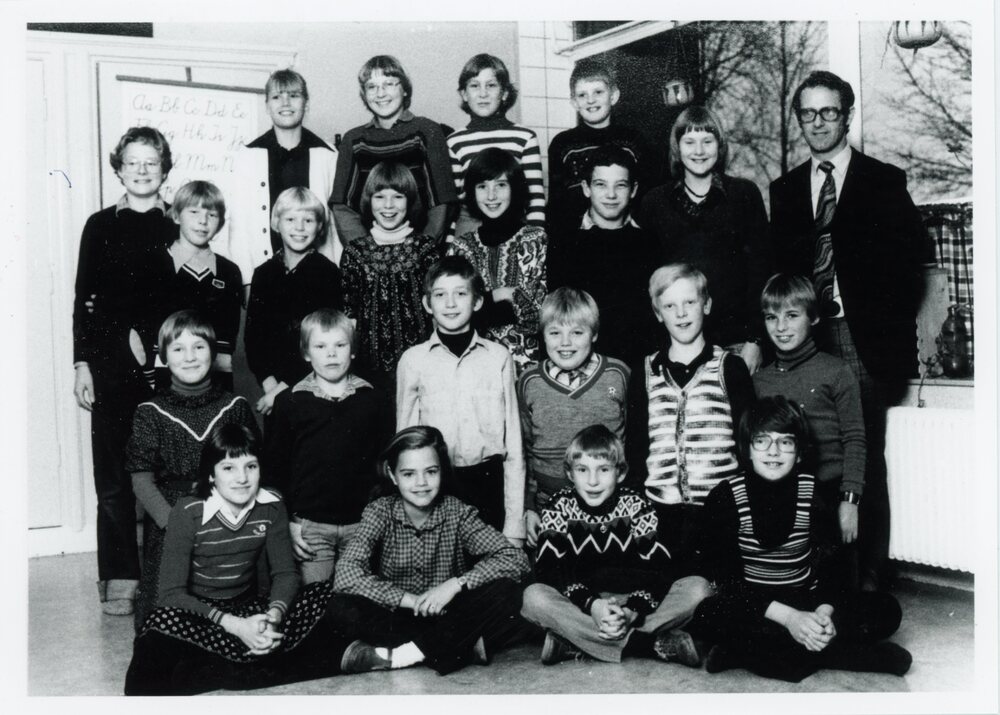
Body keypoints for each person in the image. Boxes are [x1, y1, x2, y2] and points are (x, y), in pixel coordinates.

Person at [768, 70, 926, 591]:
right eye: (808, 113)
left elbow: (909, 268)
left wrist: (880, 322)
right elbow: (780, 271)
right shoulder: (785, 190)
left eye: (829, 112)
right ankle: (822, 574)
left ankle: (870, 577)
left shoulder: (883, 181)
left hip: (861, 341)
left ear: (847, 115)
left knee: (863, 453)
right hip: (806, 339)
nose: (818, 123)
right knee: (811, 453)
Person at [687, 397, 911, 682]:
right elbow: (729, 582)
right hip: (757, 606)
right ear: (747, 448)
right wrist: (790, 619)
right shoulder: (725, 496)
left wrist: (823, 614)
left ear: (799, 451)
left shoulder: (814, 491)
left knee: (887, 609)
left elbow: (834, 569)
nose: (773, 451)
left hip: (805, 599)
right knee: (708, 614)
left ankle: (750, 653)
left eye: (785, 442)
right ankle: (846, 655)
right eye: (762, 441)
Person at [124, 423, 342, 695]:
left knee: (325, 594)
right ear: (211, 475)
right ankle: (252, 669)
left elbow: (285, 574)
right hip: (203, 614)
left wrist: (272, 617)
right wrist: (235, 626)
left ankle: (222, 670)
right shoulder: (188, 510)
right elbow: (171, 594)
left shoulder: (272, 505)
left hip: (248, 608)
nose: (242, 478)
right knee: (157, 628)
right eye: (229, 468)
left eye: (251, 466)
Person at [72, 126, 178, 615]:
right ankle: (120, 575)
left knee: (166, 473)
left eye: (151, 162)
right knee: (113, 479)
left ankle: (165, 575)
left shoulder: (177, 224)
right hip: (110, 366)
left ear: (164, 169)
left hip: (164, 366)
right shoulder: (99, 225)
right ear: (118, 169)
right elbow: (84, 300)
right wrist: (83, 364)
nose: (141, 170)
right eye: (132, 162)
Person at [327, 426, 530, 675]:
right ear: (392, 475)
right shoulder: (379, 511)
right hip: (399, 617)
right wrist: (411, 600)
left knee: (508, 590)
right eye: (409, 474)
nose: (421, 483)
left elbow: (514, 558)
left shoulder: (457, 512)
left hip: (449, 614)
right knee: (340, 606)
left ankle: (402, 656)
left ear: (442, 471)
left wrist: (455, 584)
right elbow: (346, 573)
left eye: (431, 472)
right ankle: (457, 646)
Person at [521, 425, 713, 666]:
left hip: (634, 602)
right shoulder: (558, 506)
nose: (592, 481)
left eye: (603, 470)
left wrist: (631, 611)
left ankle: (576, 641)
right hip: (582, 604)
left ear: (620, 473)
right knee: (534, 597)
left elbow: (660, 569)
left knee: (699, 589)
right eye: (582, 470)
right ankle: (648, 644)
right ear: (570, 474)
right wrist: (593, 605)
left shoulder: (636, 505)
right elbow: (551, 569)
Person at [125, 310, 258, 630]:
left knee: (233, 619)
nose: (189, 357)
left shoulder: (235, 407)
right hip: (171, 519)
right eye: (178, 349)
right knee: (168, 621)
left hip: (227, 513)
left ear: (213, 352)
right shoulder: (150, 412)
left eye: (199, 347)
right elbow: (141, 480)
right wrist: (175, 526)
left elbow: (253, 469)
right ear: (164, 357)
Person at [625, 264, 755, 568]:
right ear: (658, 313)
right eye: (670, 306)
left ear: (706, 305)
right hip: (659, 514)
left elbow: (747, 442)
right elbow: (636, 447)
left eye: (689, 302)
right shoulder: (645, 371)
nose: (681, 313)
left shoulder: (729, 367)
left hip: (720, 513)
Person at [396, 256, 526, 544]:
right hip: (436, 488)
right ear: (427, 303)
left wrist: (514, 525)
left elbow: (514, 446)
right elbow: (405, 445)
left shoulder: (498, 357)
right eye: (440, 295)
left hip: (488, 486)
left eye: (460, 294)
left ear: (477, 301)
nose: (450, 303)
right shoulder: (413, 360)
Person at [638, 105, 772, 375]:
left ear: (719, 146)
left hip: (737, 342)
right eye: (689, 142)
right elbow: (647, 280)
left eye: (707, 141)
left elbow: (761, 270)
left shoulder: (744, 194)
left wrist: (755, 340)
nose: (698, 151)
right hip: (676, 344)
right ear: (677, 147)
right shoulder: (655, 202)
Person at [264, 309, 394, 583]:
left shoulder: (373, 399)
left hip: (362, 525)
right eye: (320, 347)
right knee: (314, 599)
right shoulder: (289, 402)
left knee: (358, 597)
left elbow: (385, 466)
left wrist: (379, 520)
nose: (331, 354)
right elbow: (274, 471)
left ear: (353, 350)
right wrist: (287, 524)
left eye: (340, 345)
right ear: (306, 353)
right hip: (309, 526)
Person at [753, 274, 866, 588]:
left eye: (792, 315)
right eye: (771, 317)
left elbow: (855, 438)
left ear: (813, 317)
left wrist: (850, 502)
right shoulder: (760, 381)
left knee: (839, 590)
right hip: (782, 495)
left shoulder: (836, 371)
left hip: (830, 495)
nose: (781, 327)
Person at [517, 288, 629, 547]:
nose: (565, 343)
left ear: (594, 334)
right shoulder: (529, 381)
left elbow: (631, 442)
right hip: (548, 503)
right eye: (555, 333)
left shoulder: (618, 374)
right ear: (543, 335)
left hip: (610, 503)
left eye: (577, 333)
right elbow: (524, 449)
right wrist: (529, 507)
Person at [546, 145, 662, 366]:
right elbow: (558, 316)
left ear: (634, 190)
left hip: (637, 363)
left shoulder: (650, 243)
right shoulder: (564, 243)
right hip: (580, 366)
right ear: (586, 188)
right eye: (601, 184)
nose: (611, 195)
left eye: (621, 185)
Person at [228, 69, 339, 287]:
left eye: (294, 95)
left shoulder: (328, 154)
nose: (285, 103)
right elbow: (239, 225)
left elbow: (334, 226)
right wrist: (247, 282)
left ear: (306, 103)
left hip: (318, 278)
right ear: (267, 106)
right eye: (277, 97)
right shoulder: (248, 155)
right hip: (264, 277)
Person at [340, 161, 444, 391]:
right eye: (379, 196)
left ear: (410, 200)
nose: (388, 205)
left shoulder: (426, 249)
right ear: (369, 200)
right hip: (368, 373)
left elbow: (439, 313)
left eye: (398, 196)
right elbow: (349, 318)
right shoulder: (354, 252)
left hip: (422, 369)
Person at [331, 55, 457, 245]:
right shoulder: (354, 140)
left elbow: (441, 202)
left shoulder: (426, 131)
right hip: (369, 250)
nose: (380, 93)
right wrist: (366, 252)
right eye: (372, 87)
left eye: (389, 84)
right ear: (364, 94)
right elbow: (343, 207)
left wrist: (422, 250)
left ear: (404, 89)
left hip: (422, 247)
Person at [244, 187, 344, 416]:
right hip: (272, 390)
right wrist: (269, 383)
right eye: (290, 219)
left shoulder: (327, 274)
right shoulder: (264, 273)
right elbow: (254, 338)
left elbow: (325, 341)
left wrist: (282, 389)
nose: (299, 228)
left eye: (308, 220)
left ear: (320, 227)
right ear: (276, 223)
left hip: (314, 386)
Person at [449, 147, 547, 371]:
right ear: (472, 192)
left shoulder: (535, 239)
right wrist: (501, 294)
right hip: (474, 367)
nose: (491, 196)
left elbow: (534, 316)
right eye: (482, 186)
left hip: (528, 367)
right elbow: (454, 317)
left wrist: (479, 304)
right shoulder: (461, 247)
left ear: (515, 188)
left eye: (501, 185)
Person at [147, 180, 243, 391]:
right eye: (194, 212)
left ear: (220, 223)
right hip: (165, 375)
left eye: (212, 215)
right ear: (176, 216)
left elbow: (229, 333)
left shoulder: (229, 271)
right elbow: (146, 327)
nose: (203, 221)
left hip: (217, 375)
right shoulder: (154, 264)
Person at [547, 58, 657, 234]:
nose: (590, 100)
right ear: (574, 102)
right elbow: (556, 202)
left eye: (598, 92)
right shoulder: (562, 143)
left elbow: (646, 197)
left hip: (625, 235)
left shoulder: (634, 140)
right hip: (577, 237)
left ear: (613, 96)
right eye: (582, 95)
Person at [446, 53, 545, 236]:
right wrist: (451, 244)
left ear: (505, 92)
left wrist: (536, 238)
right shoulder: (454, 142)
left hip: (515, 227)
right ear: (464, 94)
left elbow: (535, 198)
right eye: (474, 86)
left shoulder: (524, 137)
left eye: (491, 85)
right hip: (471, 229)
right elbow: (455, 206)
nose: (483, 93)